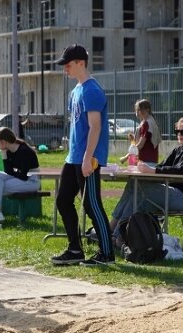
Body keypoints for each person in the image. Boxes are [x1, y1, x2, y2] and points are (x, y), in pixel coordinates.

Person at [50, 44, 114, 266]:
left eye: (68, 65)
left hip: (88, 158)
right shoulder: (75, 91)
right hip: (73, 157)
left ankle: (107, 254)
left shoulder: (92, 90)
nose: (65, 69)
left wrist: (88, 157)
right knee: (63, 200)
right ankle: (75, 249)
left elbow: (95, 127)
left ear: (80, 63)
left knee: (92, 204)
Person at [109, 113, 183, 241]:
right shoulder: (179, 150)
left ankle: (117, 236)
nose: (179, 134)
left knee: (139, 189)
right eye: (177, 131)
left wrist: (153, 170)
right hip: (169, 192)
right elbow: (162, 166)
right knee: (133, 184)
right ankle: (112, 230)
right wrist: (144, 170)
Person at [0, 127, 41, 229]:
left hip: (31, 181)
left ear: (4, 142)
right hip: (21, 178)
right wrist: (4, 157)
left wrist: (11, 174)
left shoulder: (24, 151)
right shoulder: (8, 151)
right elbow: (8, 172)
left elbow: (23, 176)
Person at [120, 99, 160, 165]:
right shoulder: (150, 121)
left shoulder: (146, 123)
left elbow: (141, 144)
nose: (137, 112)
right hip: (151, 160)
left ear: (147, 109)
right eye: (136, 110)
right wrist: (134, 139)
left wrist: (127, 156)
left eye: (140, 109)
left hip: (146, 161)